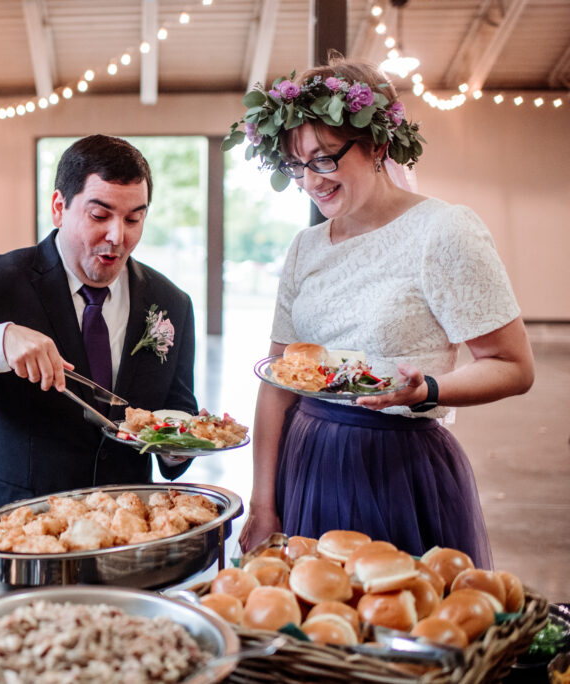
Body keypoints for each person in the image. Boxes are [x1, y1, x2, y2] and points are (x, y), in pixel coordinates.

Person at [225, 55, 535, 568]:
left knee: (395, 625)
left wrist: (427, 390)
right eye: (297, 164)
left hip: (396, 466)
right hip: (306, 460)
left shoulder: (443, 230)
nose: (310, 180)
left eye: (324, 158)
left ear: (378, 144)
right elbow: (277, 379)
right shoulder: (305, 247)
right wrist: (263, 503)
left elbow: (514, 366)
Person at [0, 134, 200, 597]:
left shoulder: (171, 302)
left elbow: (178, 407)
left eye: (134, 218)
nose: (118, 236)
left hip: (124, 551)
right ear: (59, 207)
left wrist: (179, 445)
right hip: (16, 541)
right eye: (100, 215)